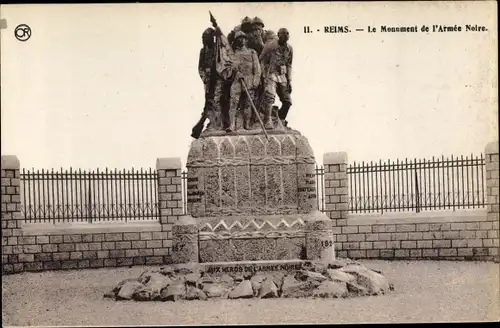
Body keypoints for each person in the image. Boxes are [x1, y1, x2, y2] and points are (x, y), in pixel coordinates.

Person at [226, 31, 262, 132]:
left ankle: (247, 124)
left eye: (243, 38)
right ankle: (232, 125)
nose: (241, 40)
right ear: (236, 41)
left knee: (248, 104)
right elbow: (230, 69)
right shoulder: (233, 54)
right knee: (233, 103)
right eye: (238, 38)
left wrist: (255, 81)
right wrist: (235, 72)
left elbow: (257, 69)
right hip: (237, 81)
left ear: (246, 40)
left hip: (249, 80)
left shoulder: (252, 52)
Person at [259, 27, 293, 128]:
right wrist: (264, 75)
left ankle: (280, 120)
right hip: (271, 73)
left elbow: (289, 65)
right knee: (270, 97)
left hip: (282, 76)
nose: (286, 35)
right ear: (279, 35)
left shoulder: (289, 49)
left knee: (287, 101)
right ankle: (267, 120)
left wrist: (289, 80)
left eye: (287, 33)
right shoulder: (270, 46)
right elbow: (261, 59)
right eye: (284, 34)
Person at [197, 27, 225, 132]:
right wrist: (205, 77)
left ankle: (218, 122)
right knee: (209, 101)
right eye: (203, 37)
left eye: (206, 37)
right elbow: (200, 67)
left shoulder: (217, 49)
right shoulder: (203, 51)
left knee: (217, 100)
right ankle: (212, 121)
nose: (204, 39)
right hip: (208, 80)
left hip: (217, 78)